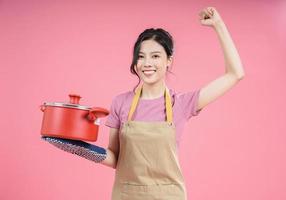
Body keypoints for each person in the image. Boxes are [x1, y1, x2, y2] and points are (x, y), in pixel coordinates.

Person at [42, 7, 245, 200]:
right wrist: (83, 149)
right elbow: (115, 158)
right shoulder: (120, 103)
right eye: (141, 57)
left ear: (169, 61)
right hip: (127, 195)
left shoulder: (182, 103)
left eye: (155, 56)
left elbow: (235, 74)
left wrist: (218, 25)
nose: (147, 63)